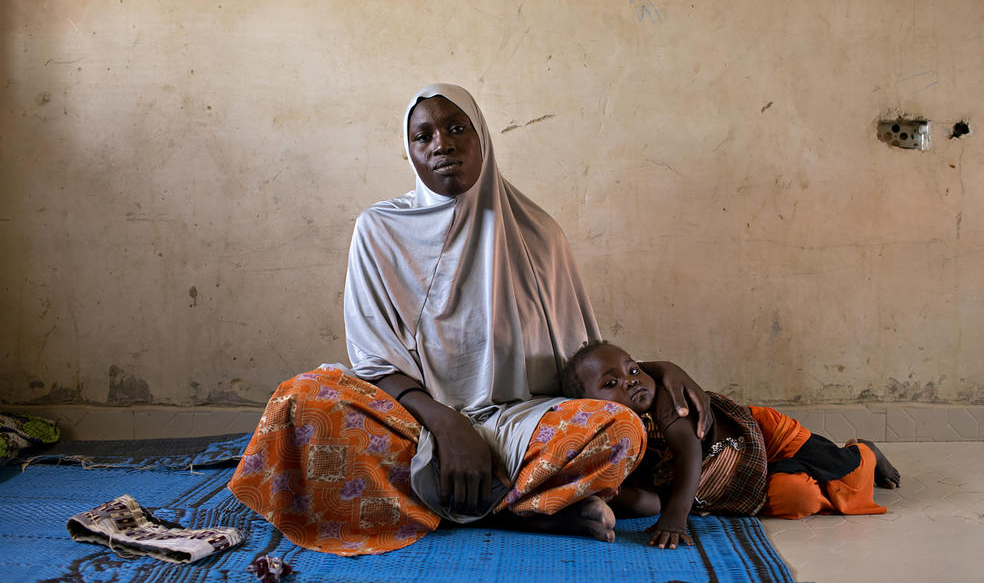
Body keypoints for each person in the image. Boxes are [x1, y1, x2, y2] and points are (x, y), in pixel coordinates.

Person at [227, 84, 713, 555]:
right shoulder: (379, 230)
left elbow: (581, 363)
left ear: (482, 137)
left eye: (457, 128)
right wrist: (449, 426)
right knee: (302, 402)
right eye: (424, 136)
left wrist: (657, 369)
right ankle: (516, 509)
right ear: (410, 149)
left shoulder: (539, 234)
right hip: (416, 423)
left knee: (620, 429)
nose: (443, 145)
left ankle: (458, 501)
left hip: (524, 423)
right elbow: (374, 361)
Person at [563, 341, 900, 549]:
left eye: (634, 370)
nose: (631, 381)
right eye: (611, 383)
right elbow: (648, 496)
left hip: (758, 434)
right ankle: (818, 476)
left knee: (845, 472)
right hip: (740, 480)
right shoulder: (612, 434)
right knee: (799, 498)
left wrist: (675, 518)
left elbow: (688, 451)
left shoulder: (666, 401)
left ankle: (862, 452)